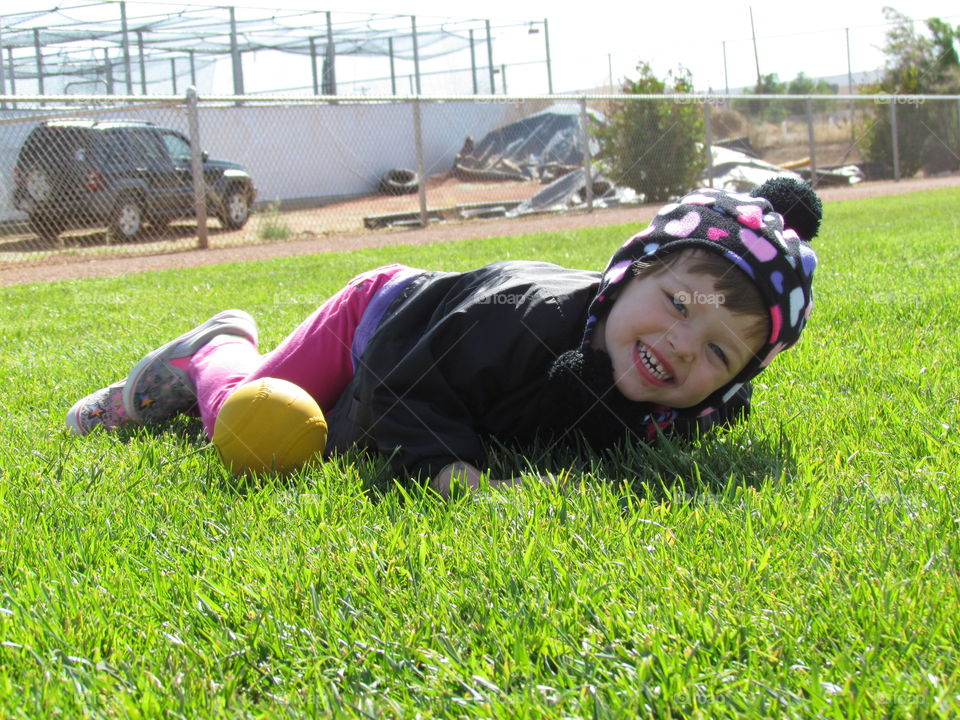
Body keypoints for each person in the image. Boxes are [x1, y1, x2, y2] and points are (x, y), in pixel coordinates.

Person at [67, 178, 821, 497]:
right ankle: (215, 352)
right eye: (678, 305)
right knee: (262, 430)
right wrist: (454, 476)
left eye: (720, 351)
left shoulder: (695, 390)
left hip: (428, 328)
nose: (687, 347)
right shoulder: (524, 317)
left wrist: (727, 400)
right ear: (626, 275)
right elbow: (399, 391)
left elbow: (723, 396)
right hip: (383, 323)